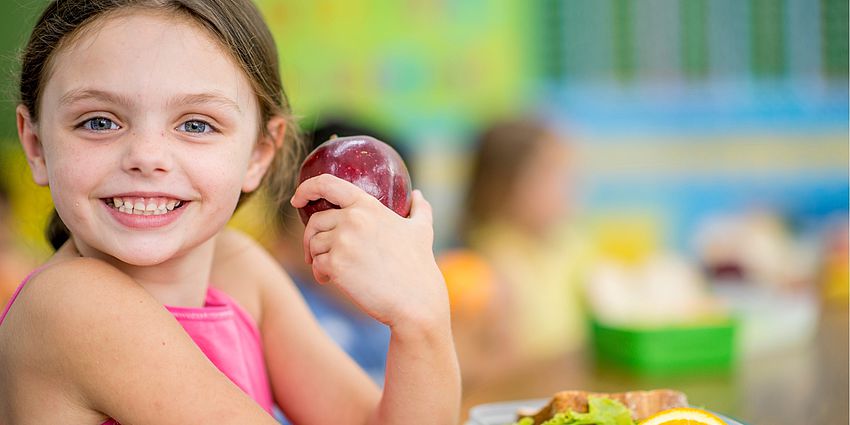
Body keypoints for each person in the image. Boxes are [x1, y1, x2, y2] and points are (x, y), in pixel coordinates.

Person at [0, 1, 460, 424]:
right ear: (36, 145)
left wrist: (422, 319)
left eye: (196, 124)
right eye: (99, 121)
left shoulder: (238, 268)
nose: (146, 155)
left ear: (259, 154)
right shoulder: (70, 306)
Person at [269, 119, 409, 385]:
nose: (365, 235)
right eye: (343, 213)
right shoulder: (279, 316)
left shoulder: (374, 309)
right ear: (293, 207)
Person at [450, 118, 589, 384]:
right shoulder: (483, 264)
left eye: (568, 174)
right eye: (550, 174)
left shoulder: (567, 244)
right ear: (501, 186)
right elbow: (467, 369)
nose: (568, 189)